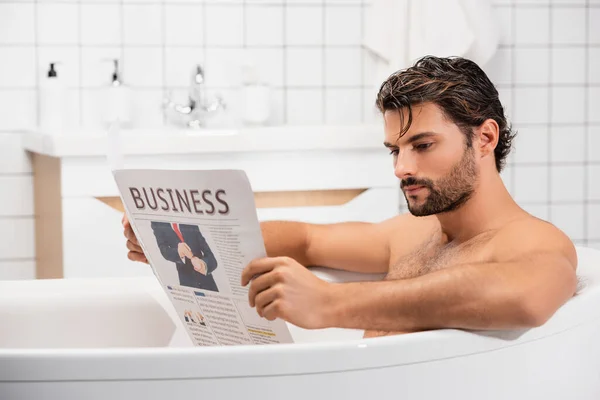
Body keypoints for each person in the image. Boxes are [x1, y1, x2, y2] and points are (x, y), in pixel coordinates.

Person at [124, 56, 577, 338]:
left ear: (484, 138)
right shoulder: (412, 233)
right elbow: (305, 241)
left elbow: (527, 298)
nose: (401, 168)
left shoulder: (530, 241)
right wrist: (182, 242)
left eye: (422, 145)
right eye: (395, 150)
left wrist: (329, 304)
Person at [150, 221, 219, 292]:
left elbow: (210, 255)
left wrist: (203, 264)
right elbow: (164, 250)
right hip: (187, 282)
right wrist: (179, 252)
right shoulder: (158, 223)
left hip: (208, 283)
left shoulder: (188, 221)